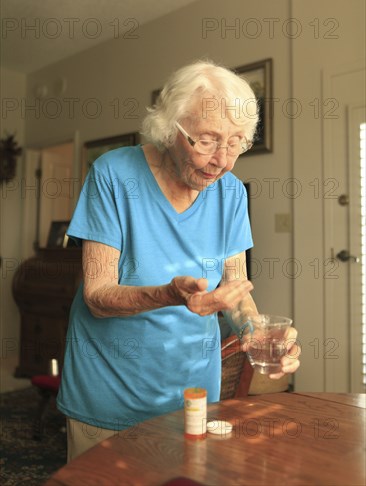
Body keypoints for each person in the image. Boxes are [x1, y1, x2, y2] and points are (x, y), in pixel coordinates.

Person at [57, 60, 300, 461]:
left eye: (236, 142)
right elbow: (97, 297)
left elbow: (236, 292)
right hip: (110, 391)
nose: (221, 160)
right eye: (206, 140)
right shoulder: (114, 174)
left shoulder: (232, 194)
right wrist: (169, 294)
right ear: (170, 128)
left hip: (192, 397)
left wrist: (260, 336)